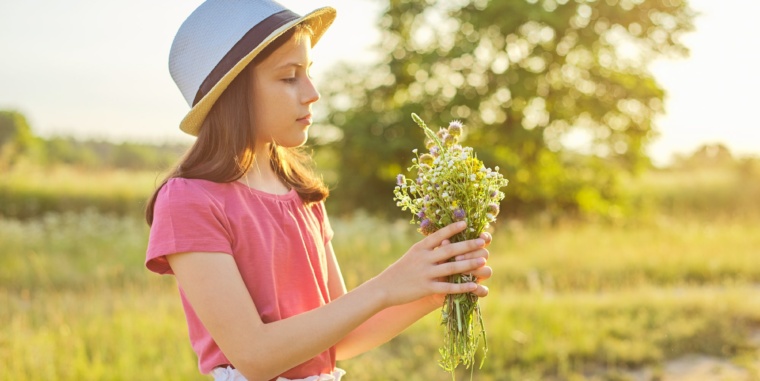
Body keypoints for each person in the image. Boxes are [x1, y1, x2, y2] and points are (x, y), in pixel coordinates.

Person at [144, 1, 493, 380]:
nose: (312, 93)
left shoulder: (301, 195)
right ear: (234, 92)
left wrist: (430, 290)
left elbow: (339, 338)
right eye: (289, 77)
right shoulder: (189, 200)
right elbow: (255, 356)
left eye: (309, 72)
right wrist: (385, 286)